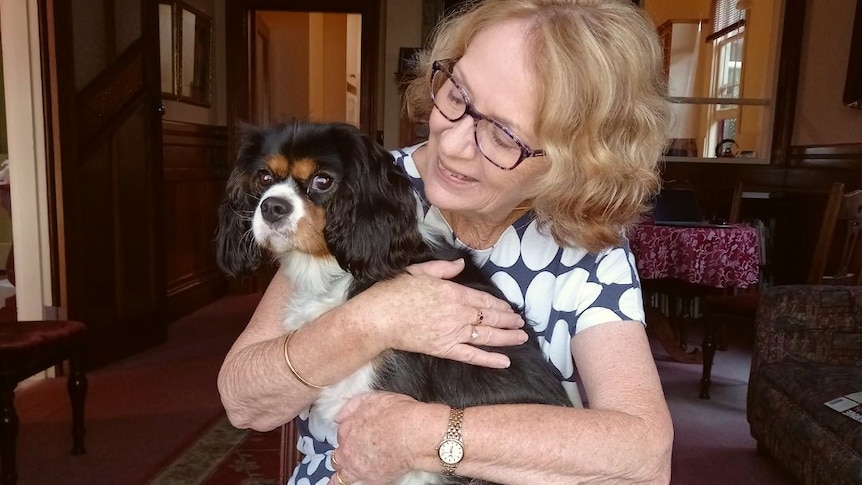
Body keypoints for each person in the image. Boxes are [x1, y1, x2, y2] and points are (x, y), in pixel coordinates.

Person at [218, 0, 673, 483]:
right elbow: (244, 402)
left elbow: (644, 459)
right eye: (458, 95)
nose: (453, 145)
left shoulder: (587, 246)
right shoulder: (362, 182)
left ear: (574, 160)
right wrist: (375, 319)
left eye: (502, 135)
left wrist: (424, 435)